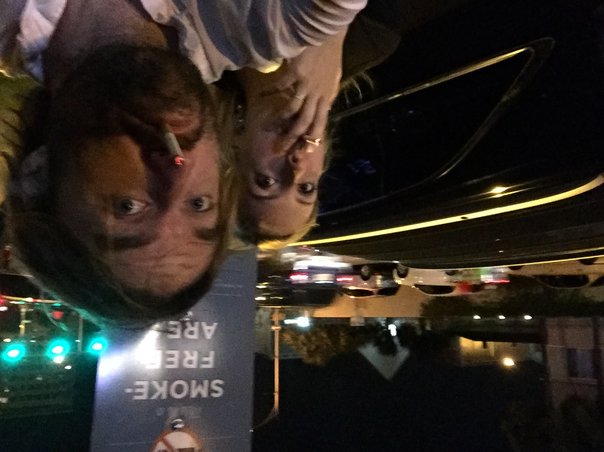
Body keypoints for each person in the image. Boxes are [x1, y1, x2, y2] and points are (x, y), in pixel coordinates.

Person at [0, 0, 366, 326]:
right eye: (199, 203)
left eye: (129, 207)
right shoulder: (266, 25)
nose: (177, 170)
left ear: (38, 175)